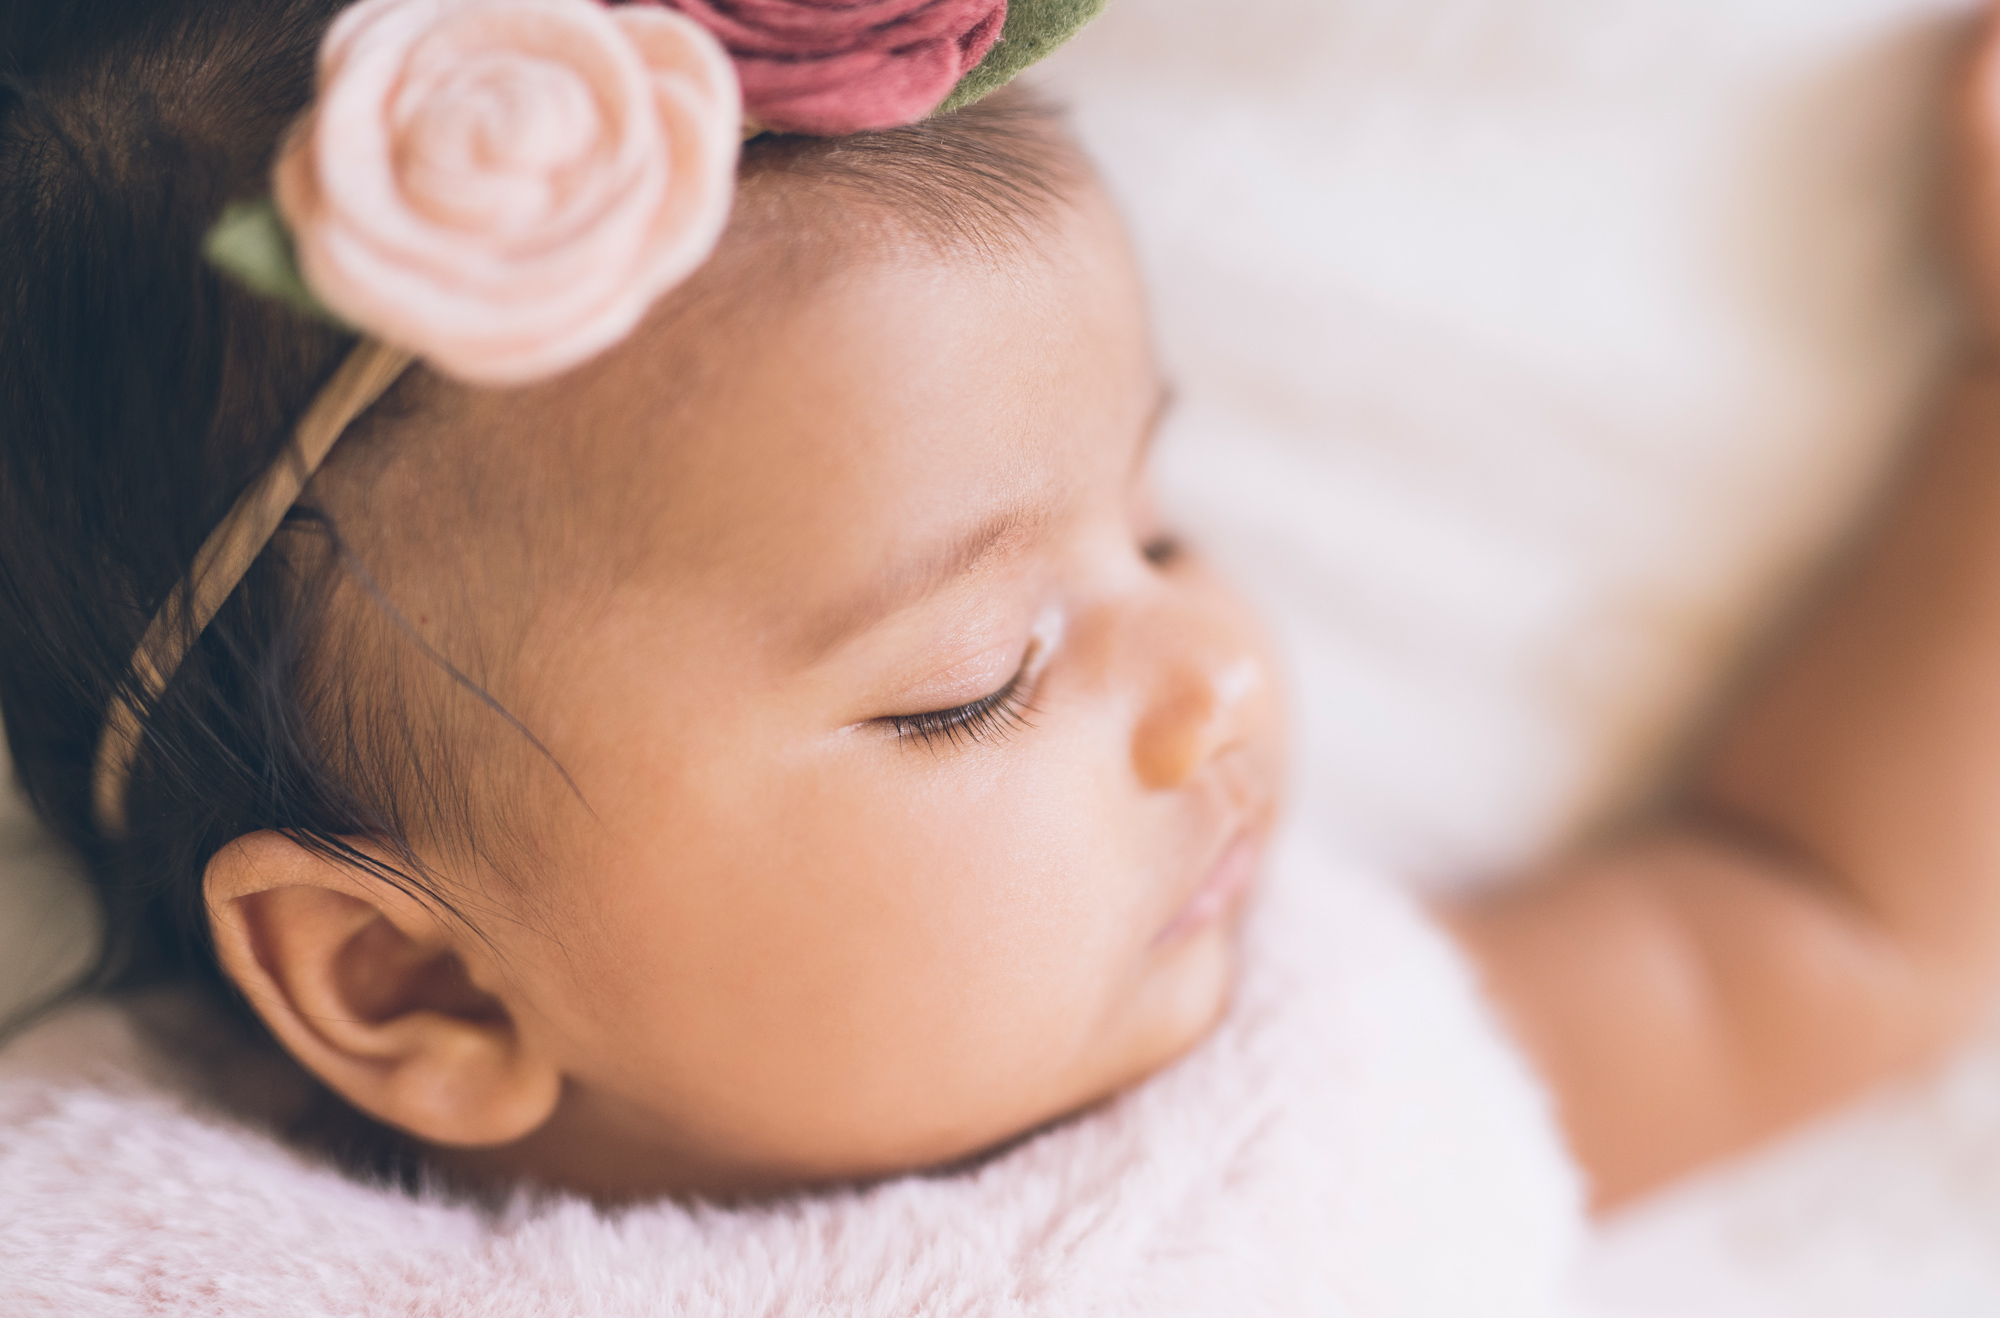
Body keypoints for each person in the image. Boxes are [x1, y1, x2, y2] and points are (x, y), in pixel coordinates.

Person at [3, 0, 2000, 1243]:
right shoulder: (146, 1281)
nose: (1213, 672)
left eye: (1163, 529)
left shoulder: (1264, 1138)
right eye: (984, 684)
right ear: (405, 985)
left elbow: (1815, 918)